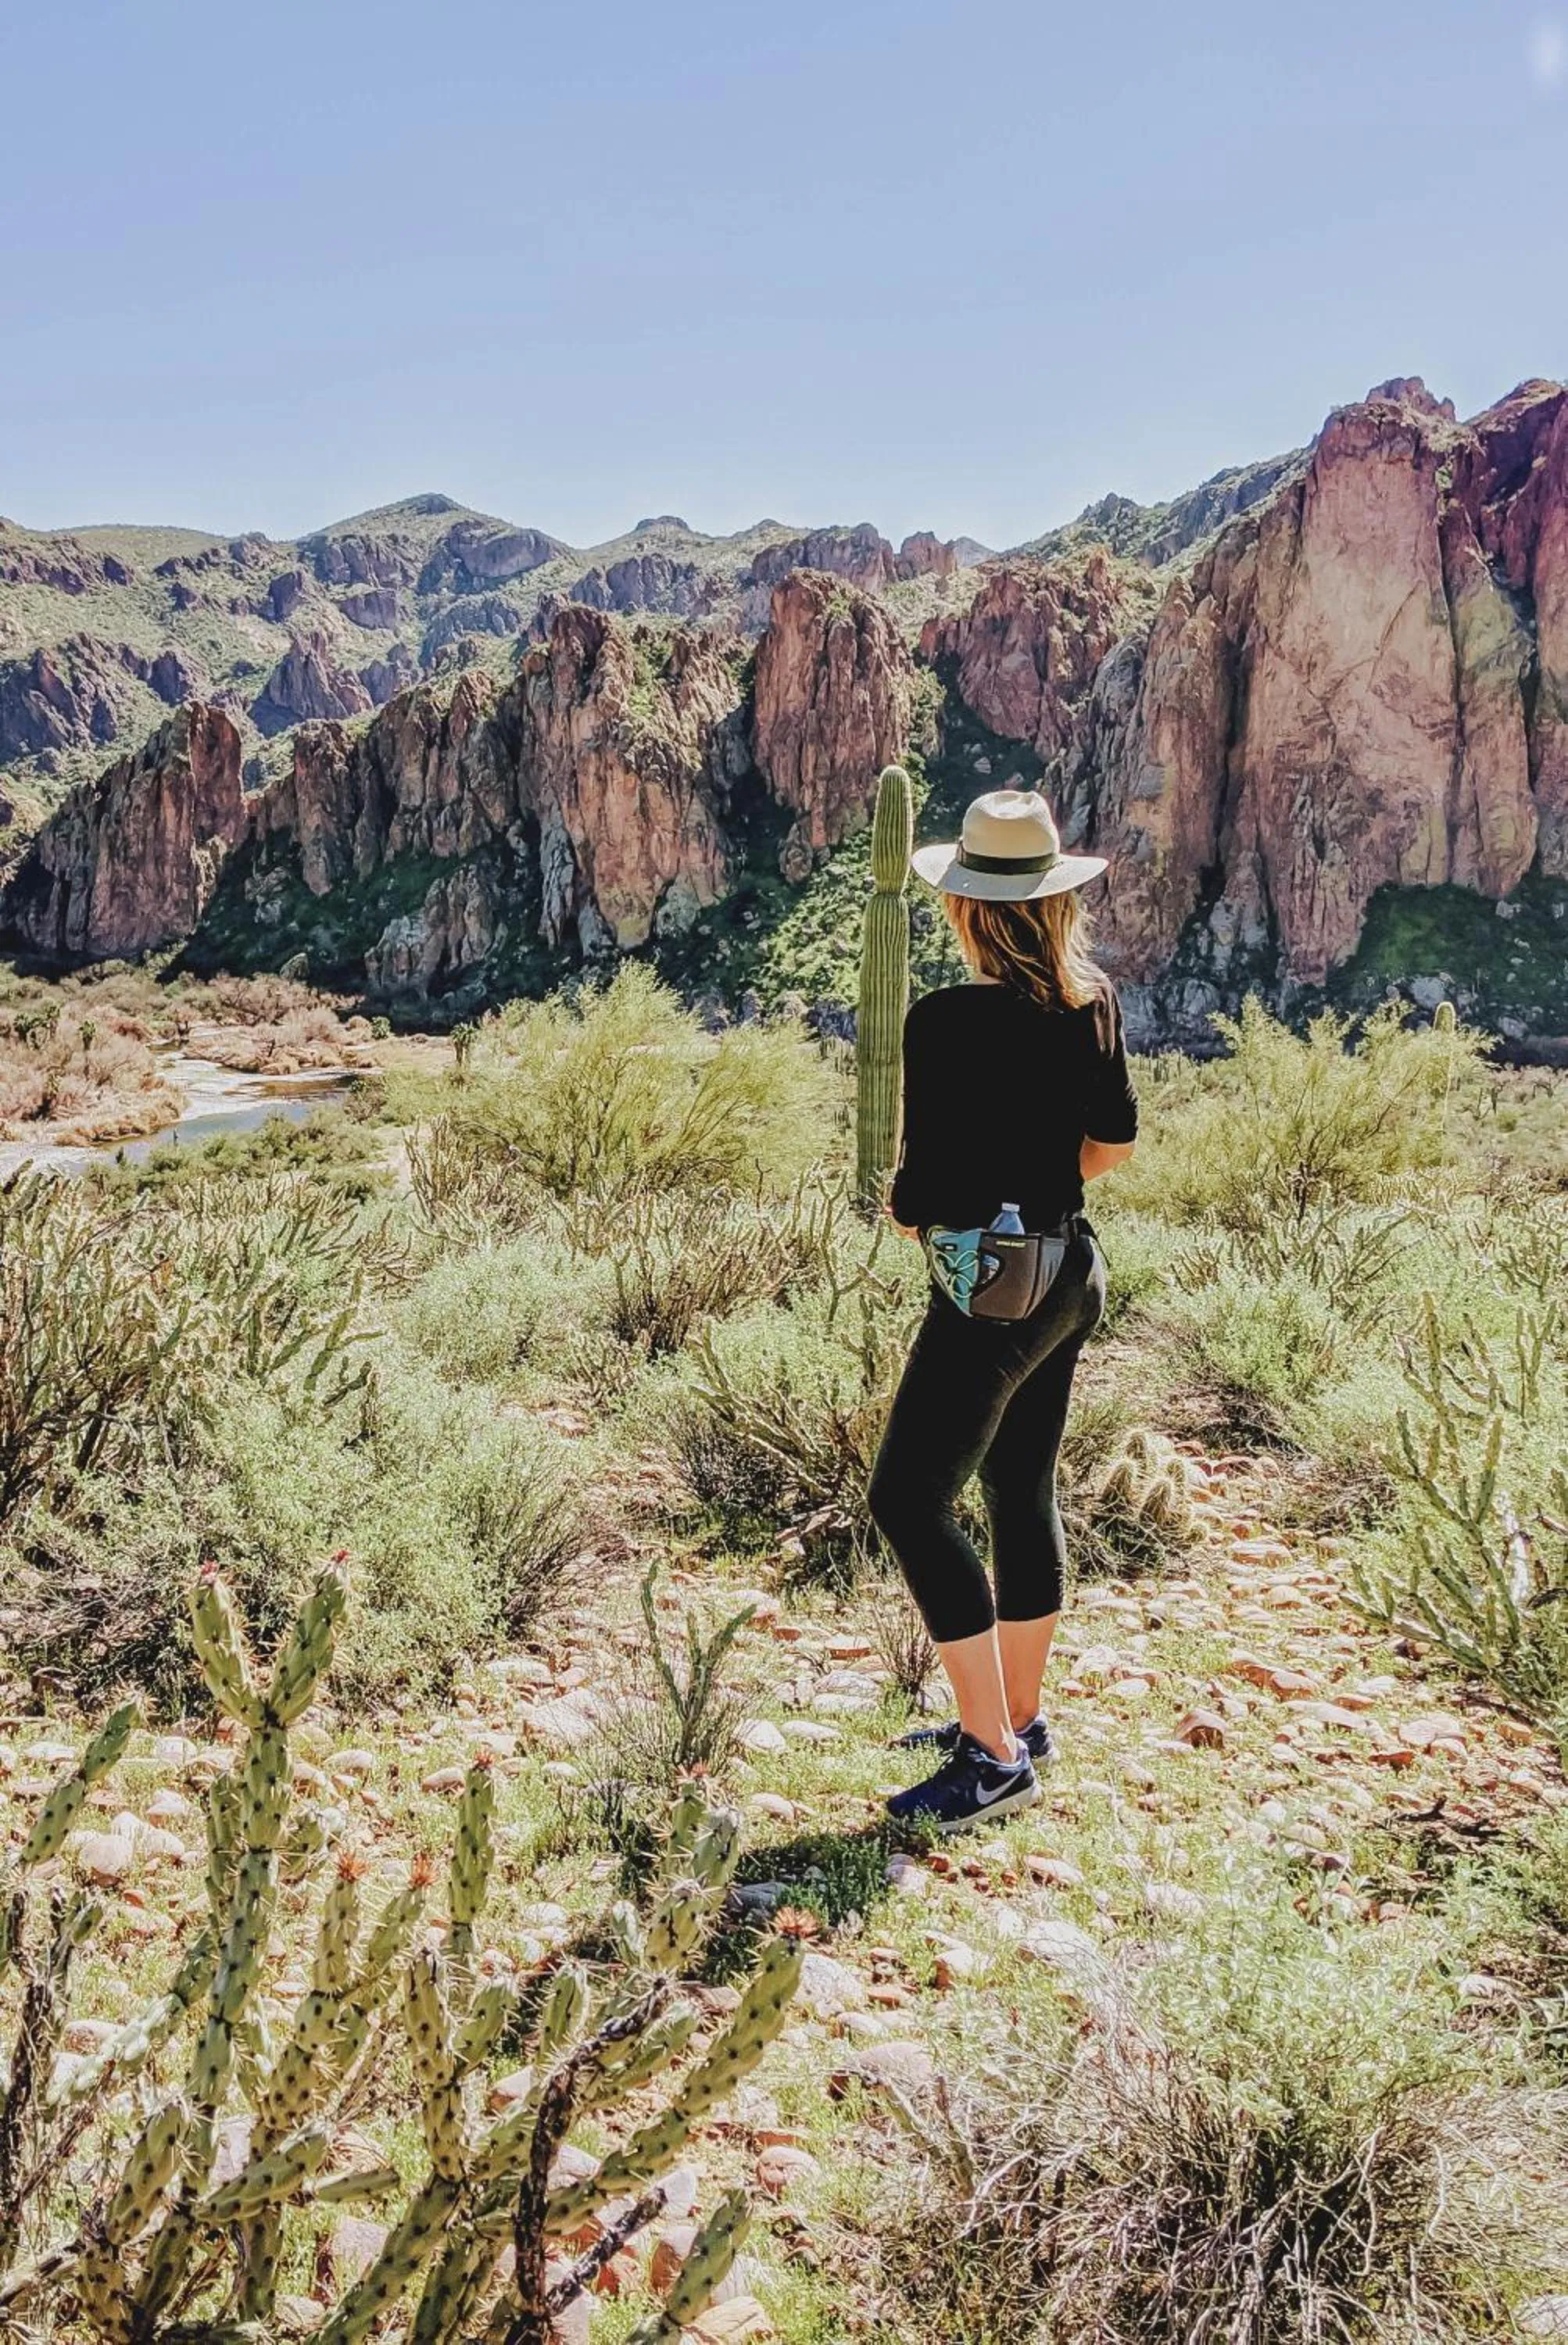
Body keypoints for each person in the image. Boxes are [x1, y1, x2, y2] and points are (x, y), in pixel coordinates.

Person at [867, 786, 1137, 1832]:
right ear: (1052, 901)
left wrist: (911, 1209)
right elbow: (1110, 1147)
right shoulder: (1092, 999)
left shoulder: (943, 1021)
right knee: (1020, 1486)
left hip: (994, 1293)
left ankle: (990, 1759)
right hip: (1071, 1273)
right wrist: (1036, 1180)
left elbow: (923, 1193)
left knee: (908, 1499)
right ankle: (1016, 1722)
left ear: (964, 907)